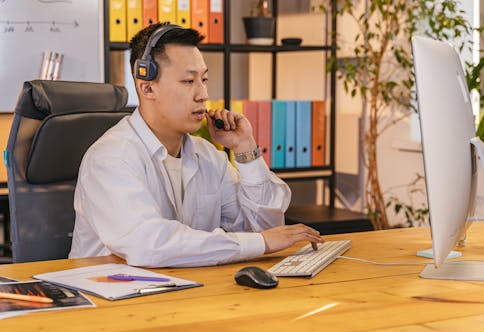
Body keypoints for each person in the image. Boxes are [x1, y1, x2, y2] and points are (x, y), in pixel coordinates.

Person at [69, 23, 323, 267]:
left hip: (182, 294)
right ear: (146, 87)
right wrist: (261, 242)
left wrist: (246, 149)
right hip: (109, 301)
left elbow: (264, 231)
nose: (203, 94)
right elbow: (148, 244)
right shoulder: (111, 158)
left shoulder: (207, 156)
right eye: (189, 82)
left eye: (204, 80)